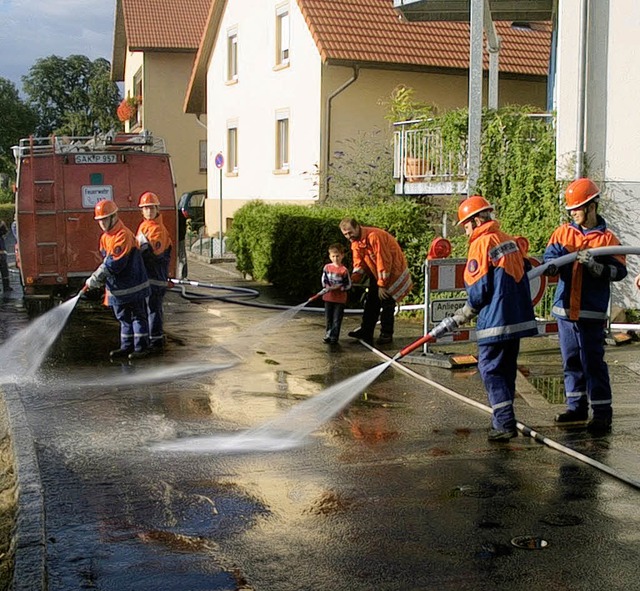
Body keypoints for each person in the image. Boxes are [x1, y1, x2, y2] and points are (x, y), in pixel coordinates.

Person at [441, 195, 538, 441]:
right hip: (517, 318)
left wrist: (466, 311)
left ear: (475, 220)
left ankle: (504, 423)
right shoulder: (508, 240)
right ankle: (502, 420)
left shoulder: (481, 243)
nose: (465, 232)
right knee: (505, 369)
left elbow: (479, 288)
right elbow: (525, 271)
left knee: (490, 369)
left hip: (496, 321)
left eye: (465, 225)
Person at [543, 178, 627, 435]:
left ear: (592, 207)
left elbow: (619, 271)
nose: (573, 213)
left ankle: (602, 413)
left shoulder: (608, 239)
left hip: (591, 311)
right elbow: (548, 259)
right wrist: (555, 264)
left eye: (577, 208)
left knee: (593, 362)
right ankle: (576, 407)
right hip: (566, 310)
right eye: (571, 209)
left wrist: (598, 268)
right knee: (570, 360)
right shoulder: (562, 234)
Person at [85, 200, 151, 360]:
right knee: (123, 319)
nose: (101, 223)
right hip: (117, 289)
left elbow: (114, 263)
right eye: (100, 220)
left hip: (133, 286)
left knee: (137, 317)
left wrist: (95, 278)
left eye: (104, 219)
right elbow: (105, 259)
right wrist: (99, 280)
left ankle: (141, 348)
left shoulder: (123, 235)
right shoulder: (105, 238)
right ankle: (126, 347)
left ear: (114, 217)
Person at [339, 218, 412, 345]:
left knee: (386, 302)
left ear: (357, 227)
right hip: (378, 273)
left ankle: (386, 334)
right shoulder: (355, 242)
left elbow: (383, 260)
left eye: (350, 232)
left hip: (392, 273)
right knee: (371, 302)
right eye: (345, 234)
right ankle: (366, 330)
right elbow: (359, 264)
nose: (348, 236)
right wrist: (352, 280)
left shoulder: (374, 237)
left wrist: (382, 285)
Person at [135, 192, 173, 353]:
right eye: (146, 208)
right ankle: (152, 340)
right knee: (148, 309)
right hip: (146, 277)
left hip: (156, 277)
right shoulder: (143, 226)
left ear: (157, 209)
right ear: (142, 211)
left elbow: (152, 255)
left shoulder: (159, 230)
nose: (149, 211)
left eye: (151, 208)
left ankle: (156, 343)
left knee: (153, 309)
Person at [321, 243, 351, 344]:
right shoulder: (327, 268)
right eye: (333, 256)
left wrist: (339, 287)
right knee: (328, 318)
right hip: (328, 298)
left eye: (337, 256)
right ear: (330, 256)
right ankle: (328, 334)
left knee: (336, 319)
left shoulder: (344, 270)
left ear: (342, 255)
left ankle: (334, 336)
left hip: (339, 299)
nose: (335, 258)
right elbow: (324, 279)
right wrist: (327, 287)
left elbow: (348, 285)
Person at [0, 220, 12, 293]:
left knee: (4, 271)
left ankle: (6, 287)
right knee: (4, 272)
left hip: (2, 254)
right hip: (2, 255)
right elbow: (5, 230)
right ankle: (6, 287)